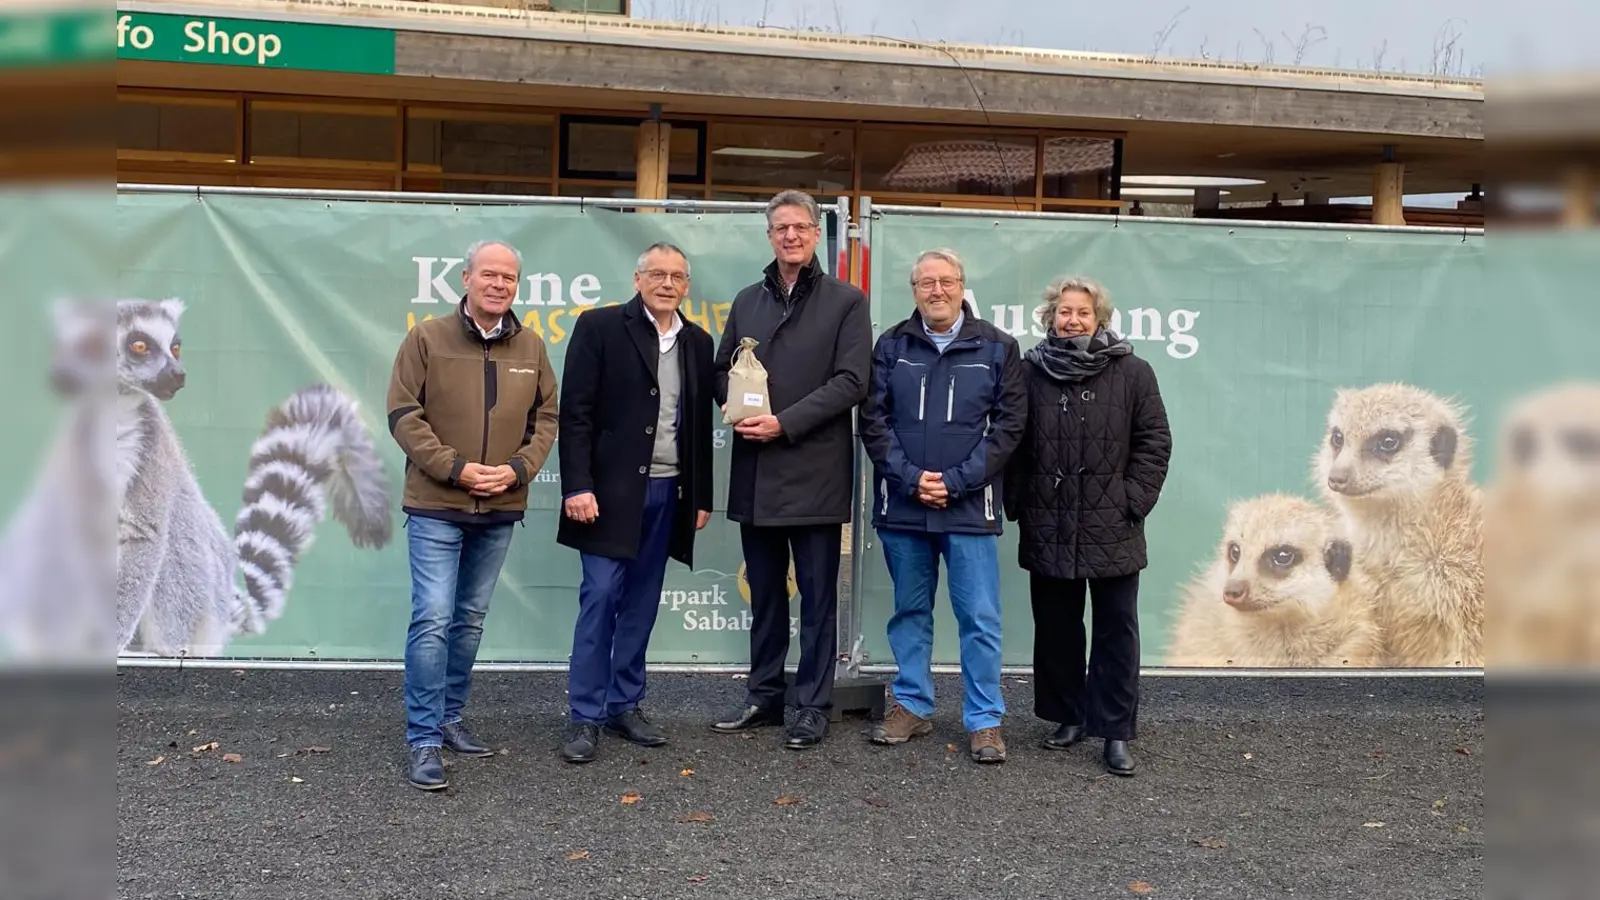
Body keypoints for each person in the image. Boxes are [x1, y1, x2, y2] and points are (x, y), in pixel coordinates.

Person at [385, 239, 559, 791]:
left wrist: (517, 469)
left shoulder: (532, 345)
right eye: (489, 274)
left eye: (509, 277)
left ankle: (450, 716)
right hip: (438, 503)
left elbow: (547, 417)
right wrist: (456, 468)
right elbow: (403, 413)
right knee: (433, 619)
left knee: (470, 620)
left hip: (501, 504)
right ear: (465, 278)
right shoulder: (426, 338)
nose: (499, 284)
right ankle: (424, 740)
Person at [709, 189, 872, 750]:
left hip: (816, 470)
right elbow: (721, 371)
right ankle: (764, 694)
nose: (791, 236)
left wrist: (783, 421)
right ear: (769, 235)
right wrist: (736, 404)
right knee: (766, 595)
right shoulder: (746, 300)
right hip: (756, 469)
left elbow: (853, 382)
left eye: (801, 227)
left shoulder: (846, 301)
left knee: (819, 597)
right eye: (781, 228)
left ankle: (812, 705)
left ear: (814, 233)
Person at [859, 249, 1026, 763]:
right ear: (914, 290)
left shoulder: (998, 348)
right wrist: (912, 480)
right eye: (925, 283)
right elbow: (874, 422)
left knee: (979, 616)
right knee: (910, 611)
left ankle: (985, 720)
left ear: (962, 286)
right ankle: (911, 705)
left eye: (945, 282)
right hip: (904, 507)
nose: (936, 291)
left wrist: (955, 482)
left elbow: (1009, 427)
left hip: (970, 509)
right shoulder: (891, 346)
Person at [1004, 275, 1172, 777]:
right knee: (1056, 626)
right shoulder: (1029, 372)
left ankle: (1116, 730)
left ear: (1100, 318)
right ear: (1050, 317)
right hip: (1049, 519)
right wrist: (1019, 501)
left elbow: (1154, 441)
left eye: (1082, 312)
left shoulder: (1133, 371)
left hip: (1112, 523)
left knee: (1116, 629)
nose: (1072, 320)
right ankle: (1067, 715)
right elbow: (1011, 438)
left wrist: (1132, 500)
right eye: (1064, 312)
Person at [555, 242, 715, 764]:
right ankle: (584, 715)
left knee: (643, 604)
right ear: (638, 278)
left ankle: (624, 705)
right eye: (657, 274)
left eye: (677, 277)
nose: (667, 284)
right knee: (600, 597)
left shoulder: (698, 342)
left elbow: (698, 425)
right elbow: (574, 413)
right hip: (606, 495)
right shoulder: (599, 327)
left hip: (670, 492)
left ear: (687, 285)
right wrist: (576, 486)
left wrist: (701, 496)